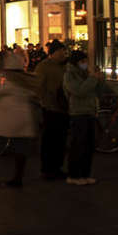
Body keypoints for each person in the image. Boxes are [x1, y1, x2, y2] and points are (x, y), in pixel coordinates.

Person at [0, 52, 40, 188]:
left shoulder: (8, 81)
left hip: (8, 117)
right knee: (21, 148)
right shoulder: (27, 79)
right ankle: (18, 177)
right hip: (24, 117)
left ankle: (15, 177)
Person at [63, 51, 107, 186]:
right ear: (76, 62)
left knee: (89, 145)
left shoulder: (86, 73)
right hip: (78, 113)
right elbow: (79, 91)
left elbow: (96, 92)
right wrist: (93, 78)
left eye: (86, 61)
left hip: (90, 112)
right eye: (83, 61)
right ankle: (74, 175)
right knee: (78, 145)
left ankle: (85, 174)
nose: (86, 64)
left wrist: (99, 80)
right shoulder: (69, 75)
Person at [34, 40, 69, 180]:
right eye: (61, 52)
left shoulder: (66, 66)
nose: (63, 54)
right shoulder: (43, 67)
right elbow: (38, 86)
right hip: (50, 108)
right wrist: (46, 100)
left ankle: (57, 167)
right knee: (50, 140)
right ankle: (47, 169)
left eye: (64, 51)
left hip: (64, 108)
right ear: (53, 53)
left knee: (61, 140)